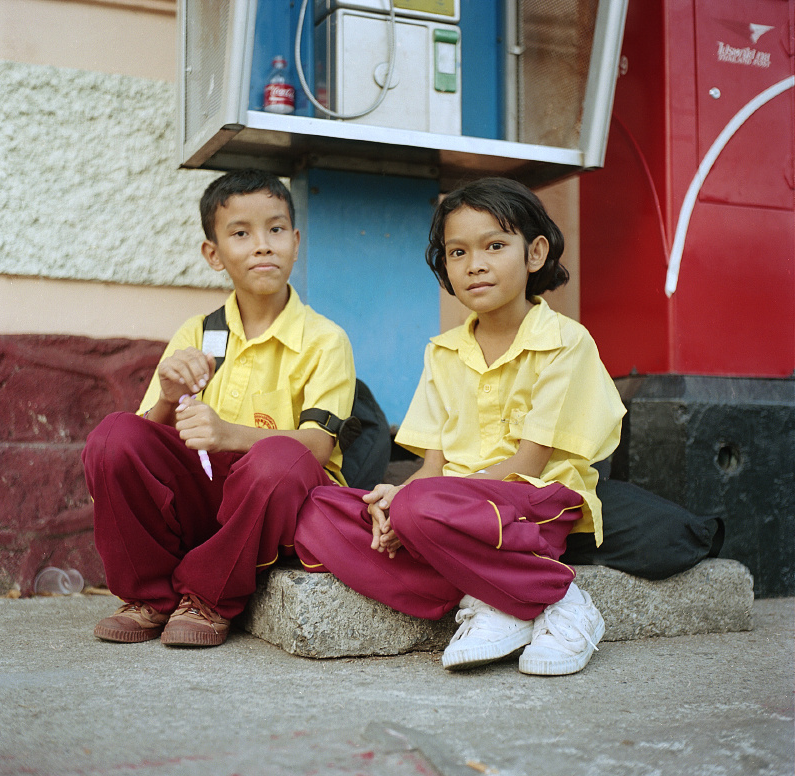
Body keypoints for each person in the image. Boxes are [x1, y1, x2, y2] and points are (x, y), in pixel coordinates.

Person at [294, 176, 626, 676]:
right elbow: (433, 467)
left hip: (535, 501)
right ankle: (490, 594)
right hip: (448, 508)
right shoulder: (443, 351)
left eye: (495, 245)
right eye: (457, 252)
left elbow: (529, 463)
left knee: (421, 507)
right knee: (316, 509)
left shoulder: (565, 341)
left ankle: (560, 602)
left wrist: (417, 505)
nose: (475, 264)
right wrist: (392, 502)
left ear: (534, 253)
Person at [82, 169, 356, 648]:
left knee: (280, 458)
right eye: (241, 233)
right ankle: (150, 597)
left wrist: (229, 434)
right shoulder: (197, 332)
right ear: (213, 254)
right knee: (113, 435)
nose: (262, 245)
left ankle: (207, 596)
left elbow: (315, 447)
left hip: (279, 503)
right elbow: (141, 445)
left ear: (295, 241)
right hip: (208, 498)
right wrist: (168, 397)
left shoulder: (324, 340)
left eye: (275, 230)